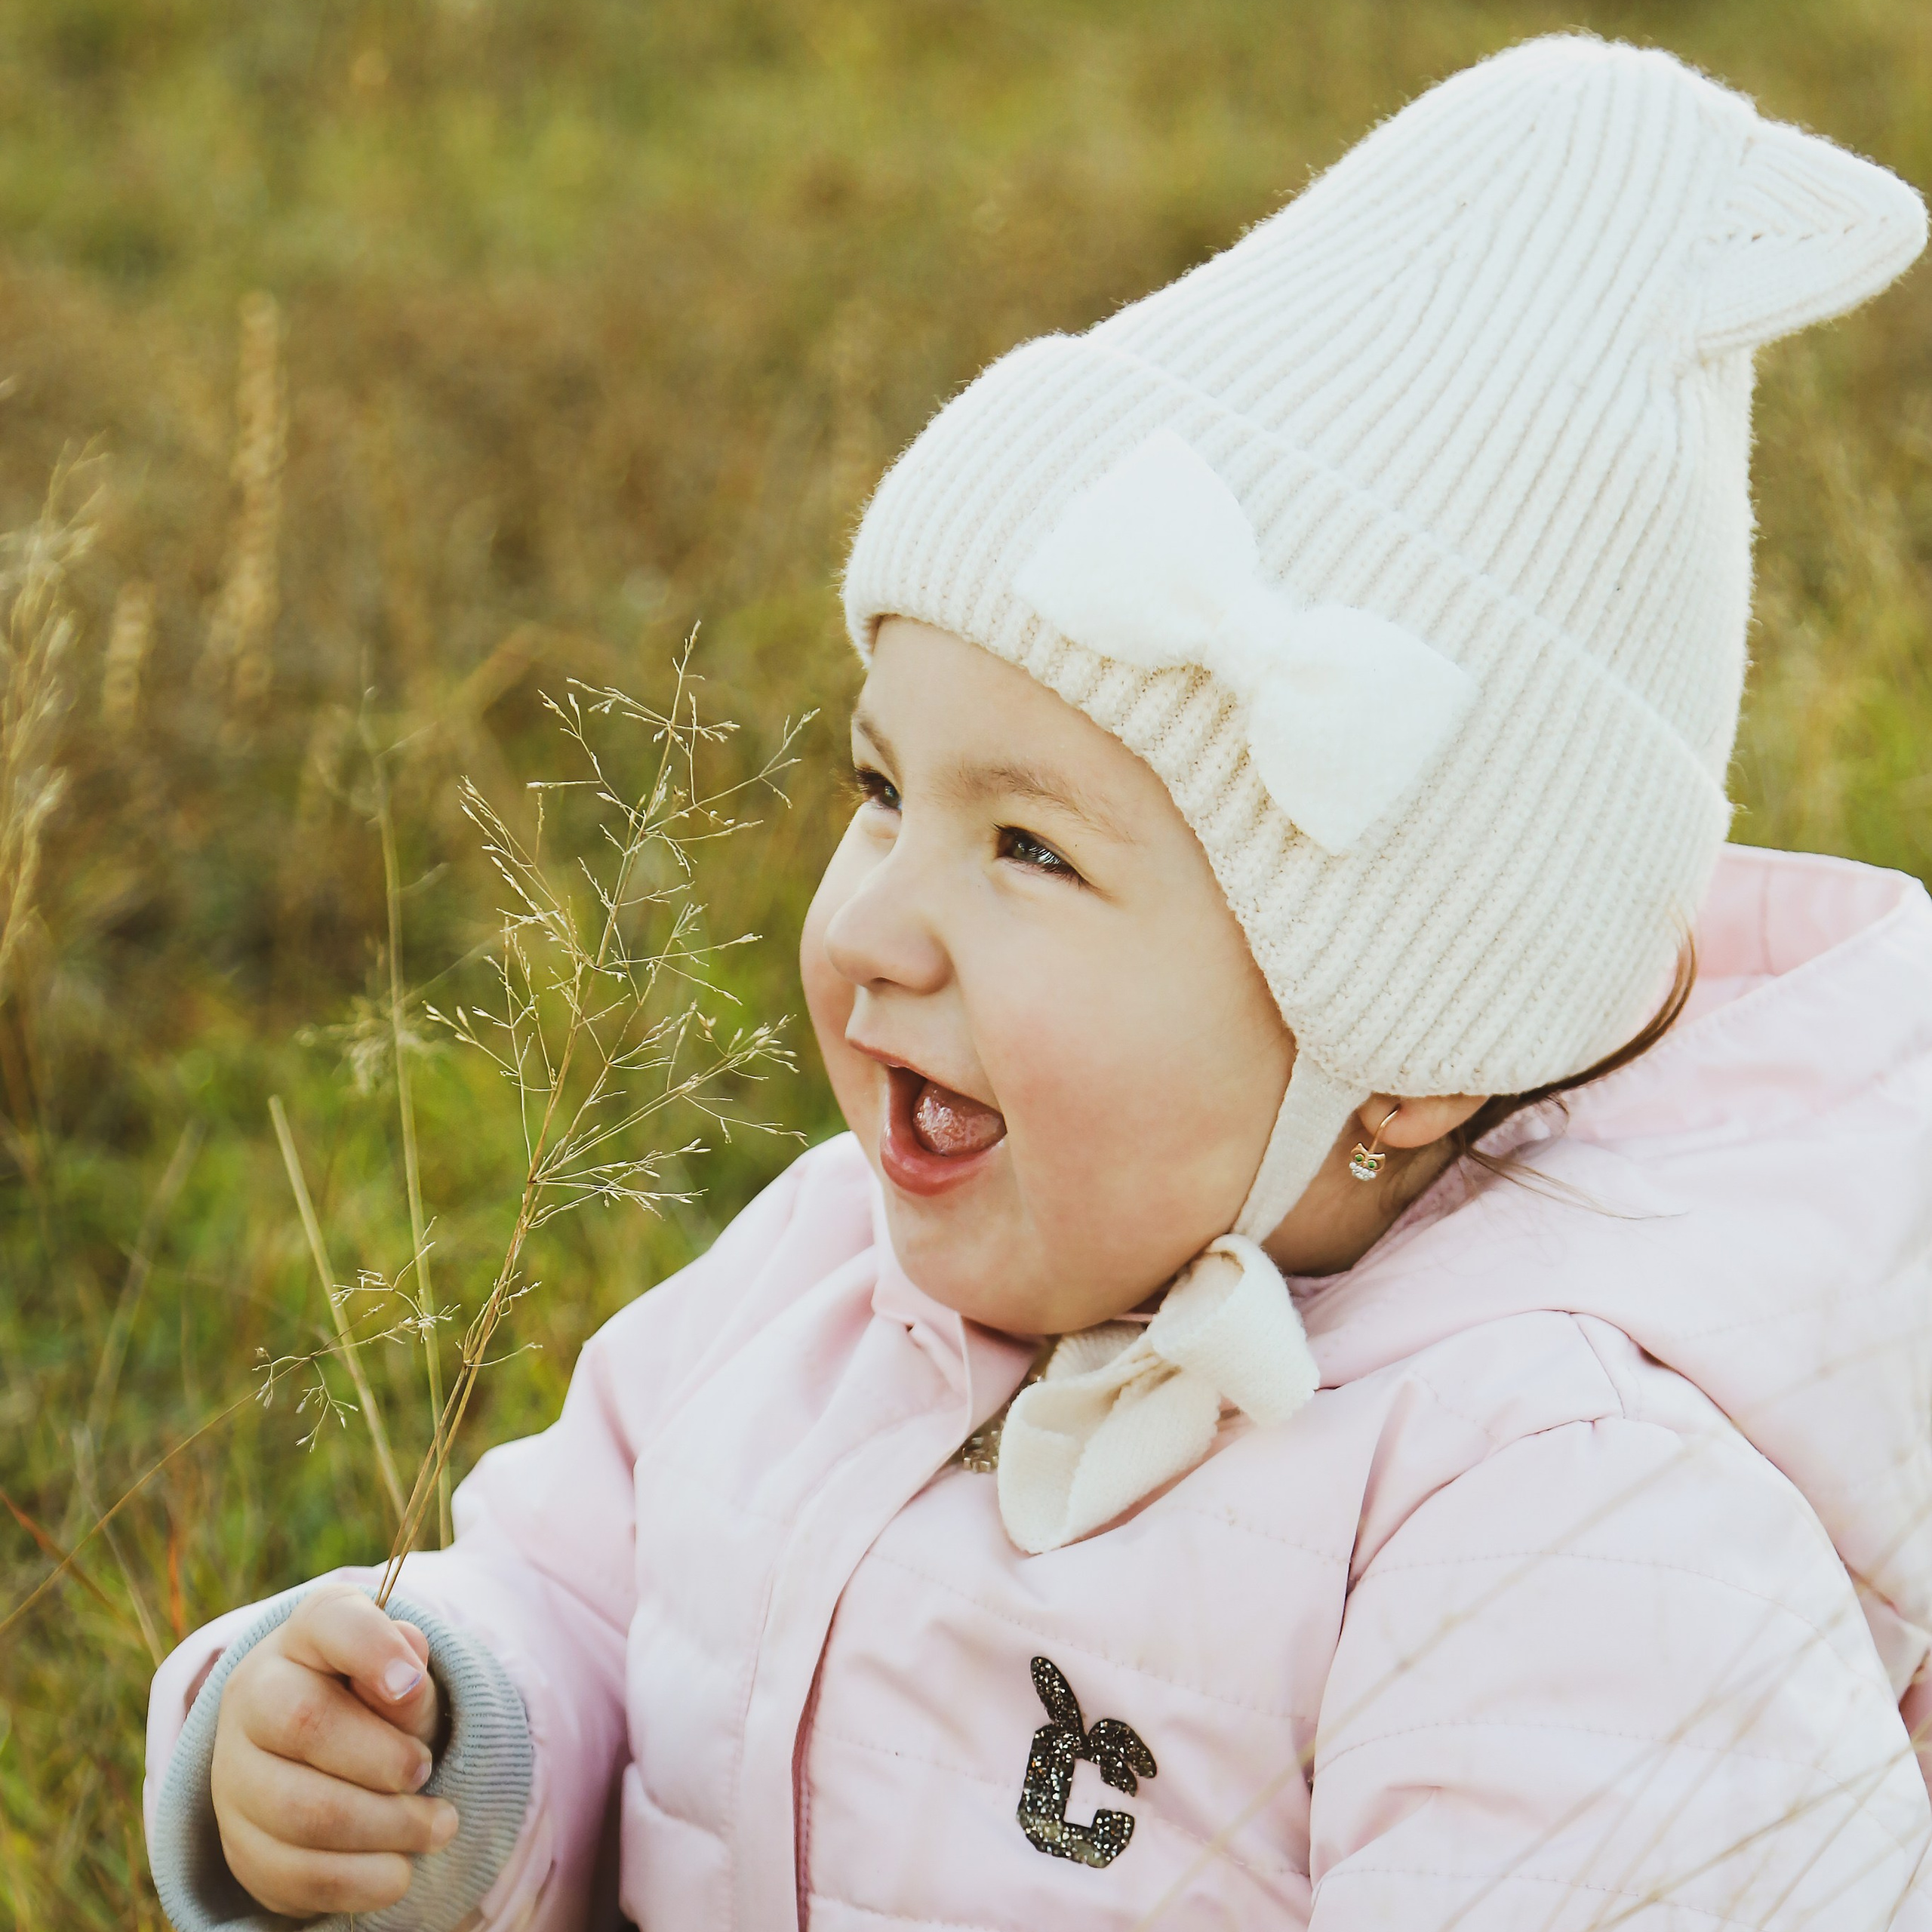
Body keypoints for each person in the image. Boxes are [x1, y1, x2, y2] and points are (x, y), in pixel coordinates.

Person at [143, 32, 1932, 1932]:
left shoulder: (1563, 1516)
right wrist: (431, 1744)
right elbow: (591, 1598)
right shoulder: (828, 1276)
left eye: (1028, 848)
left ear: (1403, 1049)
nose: (874, 926)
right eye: (882, 790)